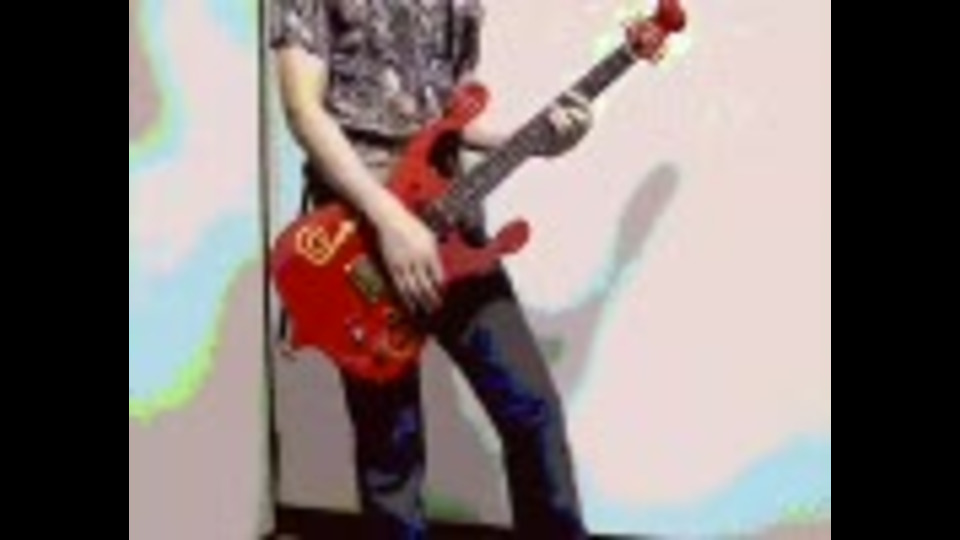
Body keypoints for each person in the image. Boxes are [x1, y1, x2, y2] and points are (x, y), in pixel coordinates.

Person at [269, 0, 593, 537]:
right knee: (391, 449)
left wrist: (538, 140)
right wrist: (389, 219)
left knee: (532, 410)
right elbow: (304, 109)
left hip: (450, 229)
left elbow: (451, 117)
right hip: (359, 239)